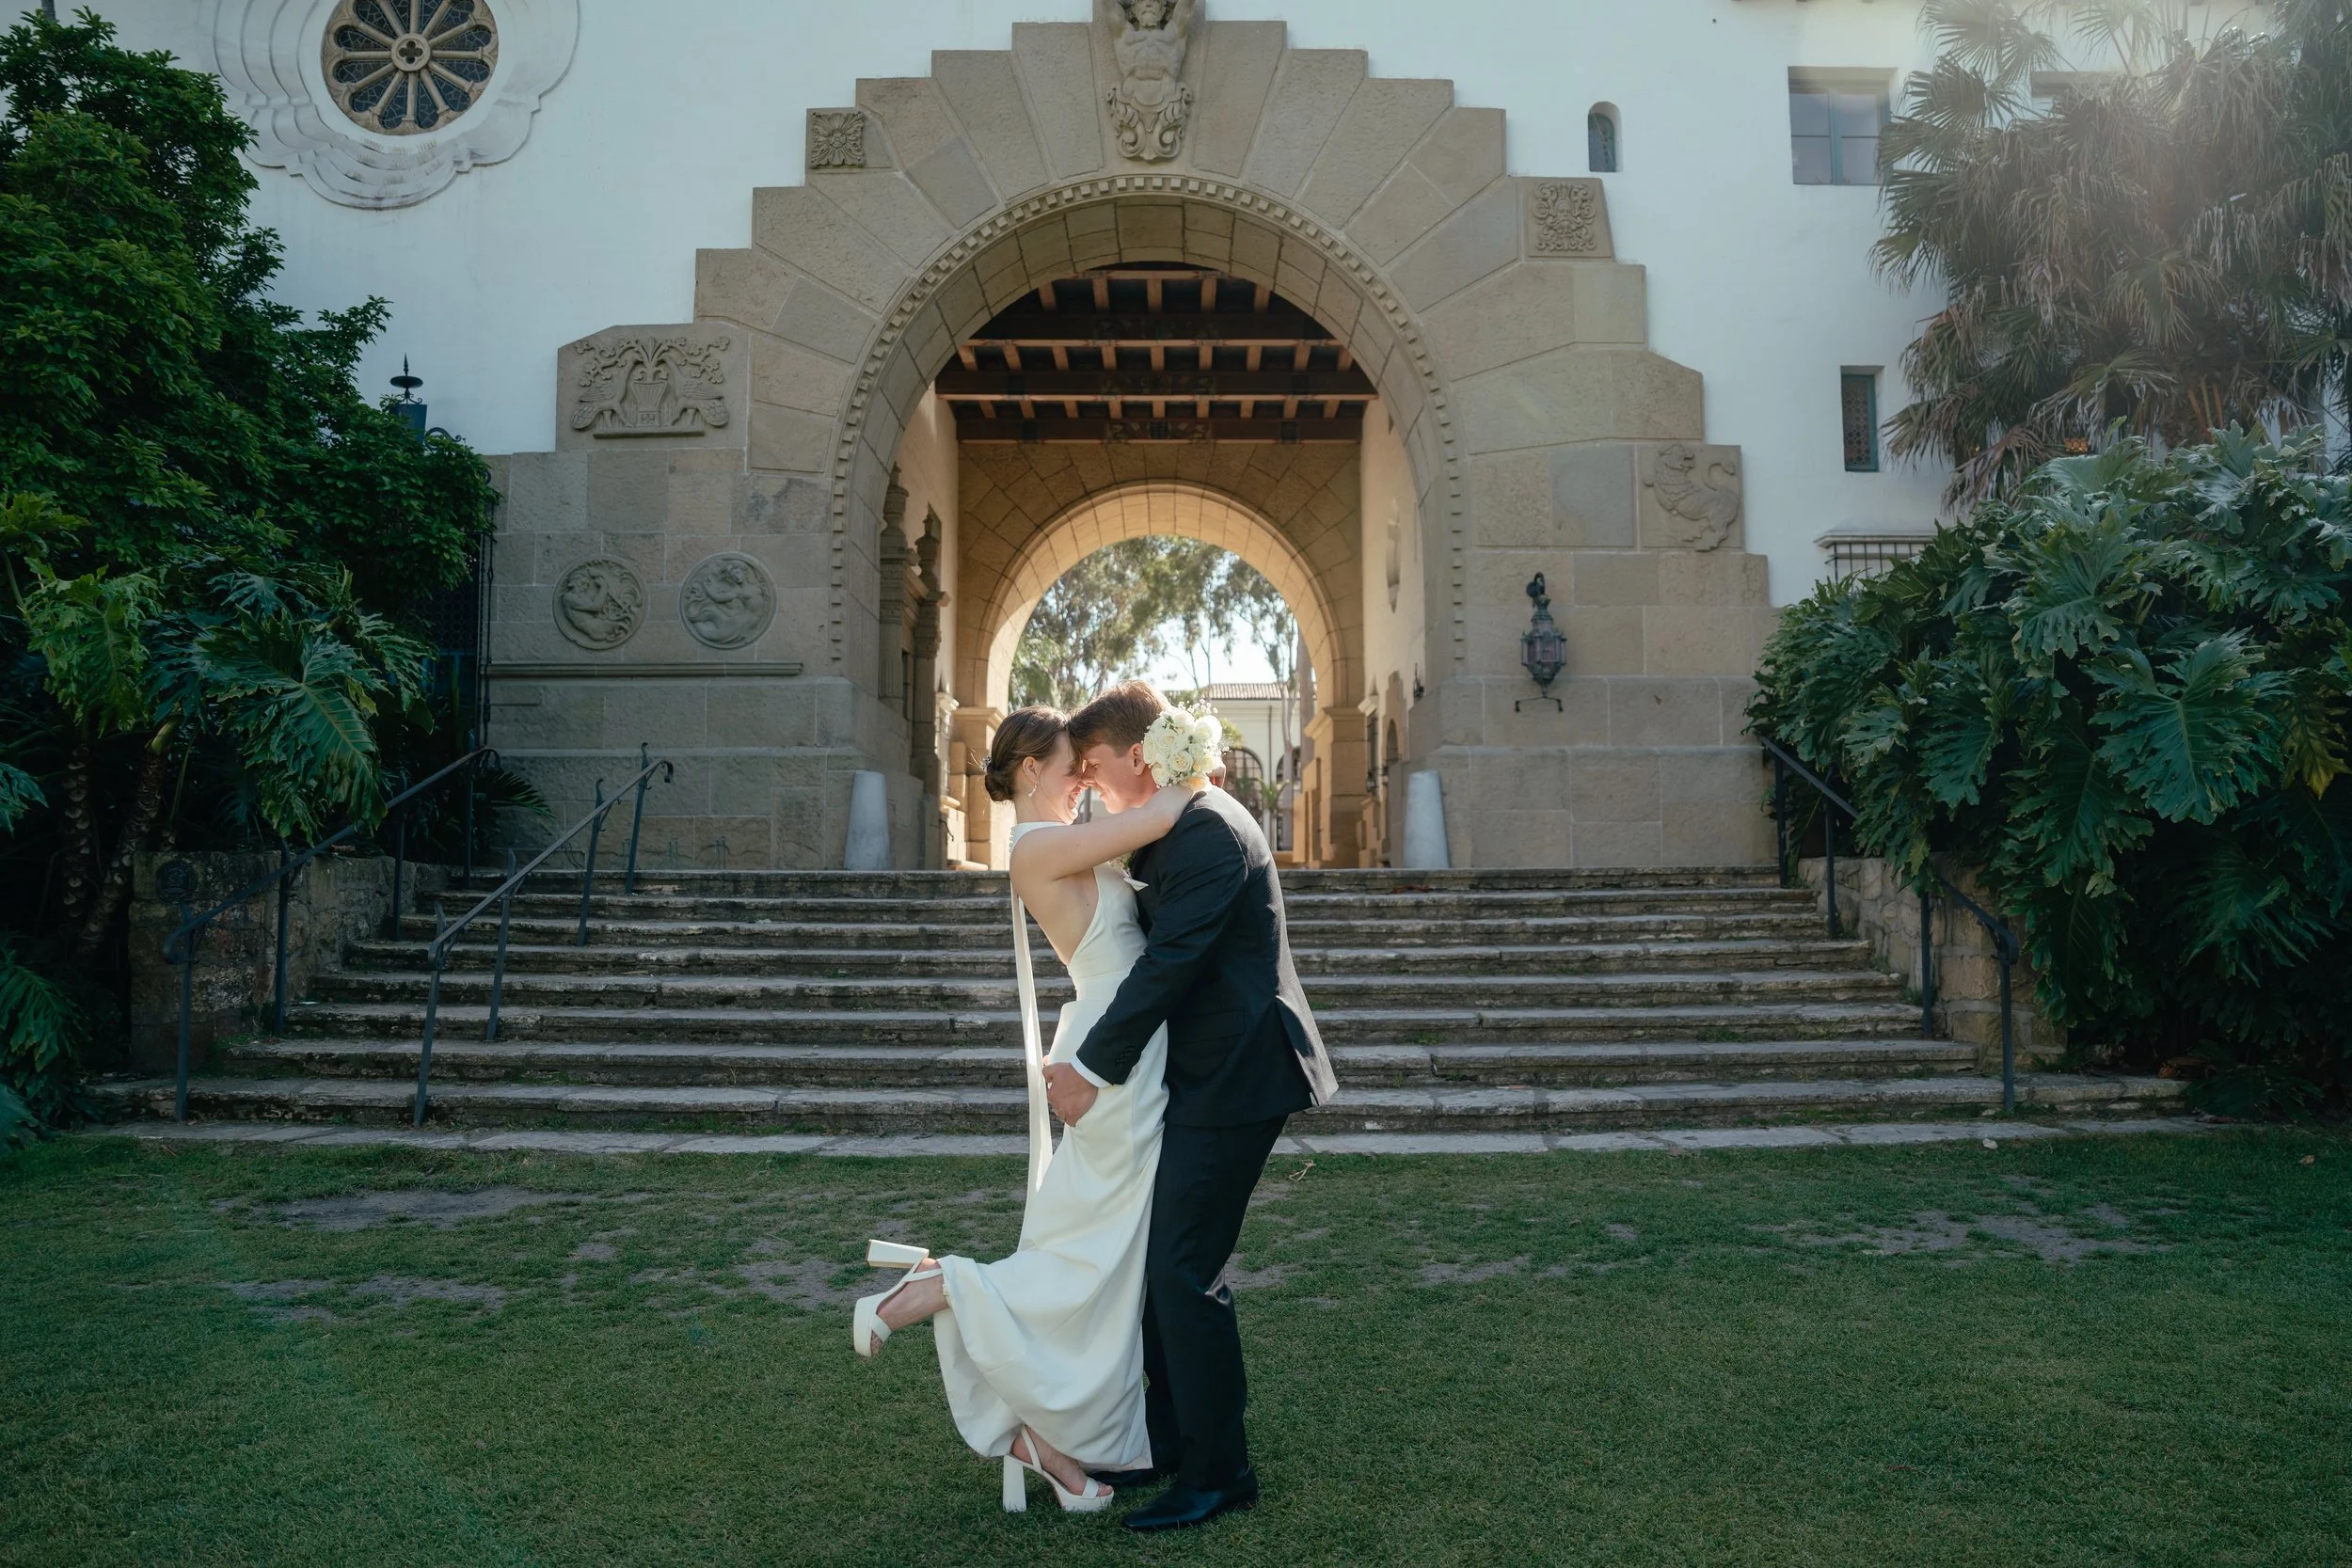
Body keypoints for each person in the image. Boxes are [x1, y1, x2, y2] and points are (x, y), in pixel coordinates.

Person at [846, 705, 1200, 1513]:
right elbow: (1157, 814)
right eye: (1075, 763)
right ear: (1033, 769)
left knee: (1102, 1256)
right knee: (1097, 1255)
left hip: (1123, 1044)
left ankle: (1050, 1443)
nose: (1083, 777)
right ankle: (939, 1289)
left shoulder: (1056, 838)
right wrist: (1189, 759)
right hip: (1114, 1054)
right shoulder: (1036, 847)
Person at [1047, 680, 1338, 1532]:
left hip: (1239, 1075)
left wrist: (1089, 1070)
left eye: (1095, 769)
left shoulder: (1211, 832)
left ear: (1137, 754)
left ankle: (1221, 1471)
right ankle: (1172, 1439)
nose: (1095, 787)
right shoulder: (1179, 824)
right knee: (1159, 1265)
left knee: (1181, 1266)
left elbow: (1169, 965)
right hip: (1200, 1074)